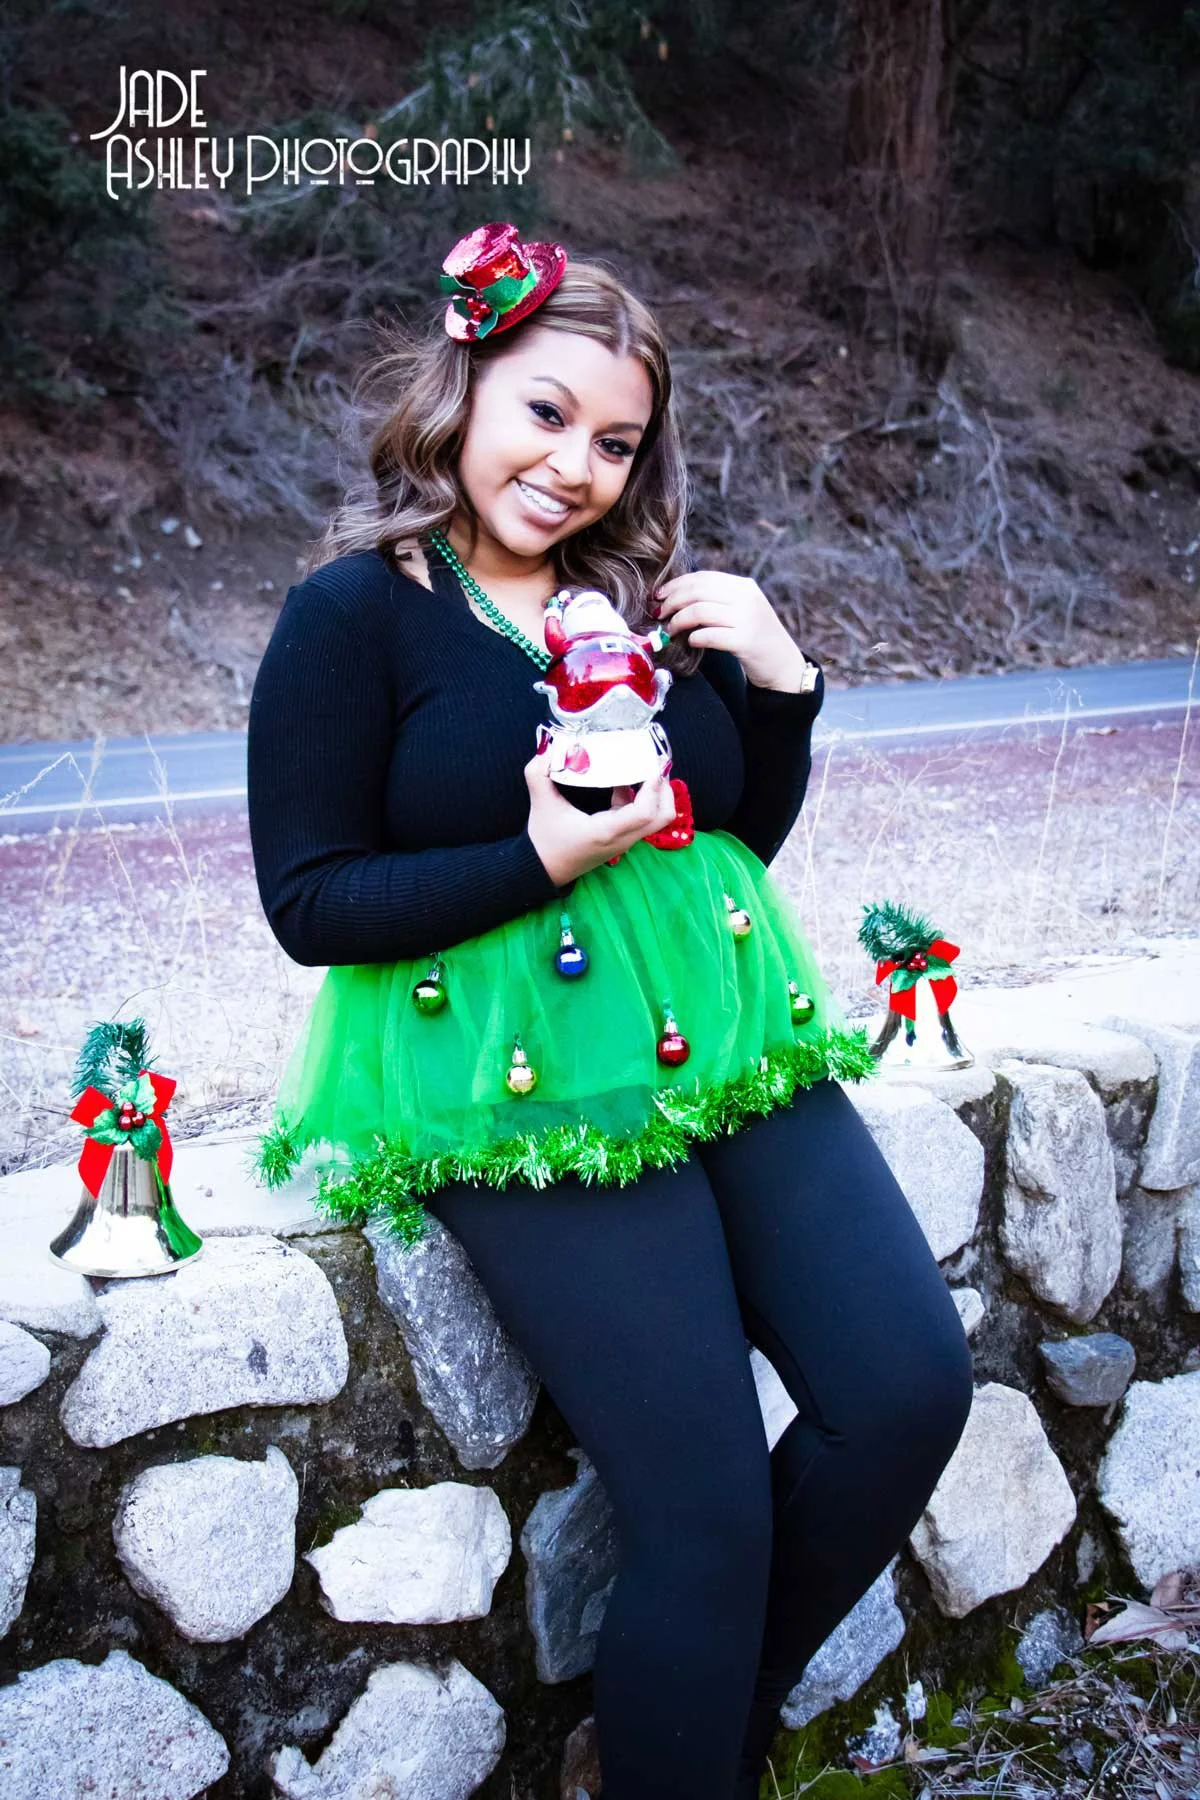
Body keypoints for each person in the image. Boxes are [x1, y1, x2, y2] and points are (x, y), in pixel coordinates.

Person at [247, 221, 975, 1800]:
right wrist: (528, 856)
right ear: (464, 388)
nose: (578, 463)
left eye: (618, 440)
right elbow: (309, 901)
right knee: (705, 1509)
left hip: (716, 1043)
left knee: (910, 1385)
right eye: (547, 412)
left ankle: (676, 1736)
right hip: (505, 1078)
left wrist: (781, 693)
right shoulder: (354, 616)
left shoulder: (628, 605)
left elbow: (726, 837)